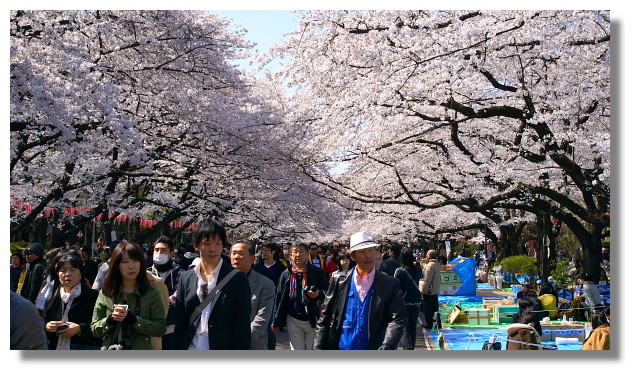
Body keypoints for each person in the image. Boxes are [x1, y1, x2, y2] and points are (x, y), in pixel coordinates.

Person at [314, 231, 406, 350]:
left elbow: (398, 319)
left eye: (371, 250)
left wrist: (388, 345)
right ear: (353, 256)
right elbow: (325, 317)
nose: (368, 255)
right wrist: (317, 348)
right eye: (362, 252)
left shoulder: (390, 283)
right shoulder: (339, 280)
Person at [174, 219, 251, 350]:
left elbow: (242, 326)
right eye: (207, 243)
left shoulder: (237, 278)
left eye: (218, 244)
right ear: (196, 245)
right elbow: (181, 322)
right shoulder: (186, 278)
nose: (213, 249)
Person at [91, 242, 166, 350]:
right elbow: (95, 330)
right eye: (125, 262)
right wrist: (110, 320)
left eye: (135, 261)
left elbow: (160, 328)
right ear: (117, 265)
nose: (131, 266)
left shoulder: (151, 292)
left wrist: (135, 321)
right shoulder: (107, 292)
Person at [272, 243, 329, 350]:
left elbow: (328, 292)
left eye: (301, 251)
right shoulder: (286, 273)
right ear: (290, 255)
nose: (298, 254)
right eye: (295, 252)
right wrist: (276, 319)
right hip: (293, 318)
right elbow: (279, 297)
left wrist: (318, 294)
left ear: (307, 253)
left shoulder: (316, 272)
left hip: (313, 319)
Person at [43, 253, 101, 350]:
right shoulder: (52, 297)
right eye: (63, 270)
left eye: (73, 270)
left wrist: (80, 329)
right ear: (58, 274)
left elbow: (99, 325)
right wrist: (47, 326)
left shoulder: (92, 296)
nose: (68, 274)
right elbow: (44, 319)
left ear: (80, 274)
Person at [230, 240, 276, 350]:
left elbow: (262, 318)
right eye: (233, 253)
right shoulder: (220, 281)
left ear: (252, 258)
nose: (236, 257)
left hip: (252, 344)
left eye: (241, 253)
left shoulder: (265, 284)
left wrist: (243, 341)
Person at [148, 235, 183, 350]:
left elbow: (179, 295)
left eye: (163, 250)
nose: (159, 253)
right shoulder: (146, 273)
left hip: (171, 327)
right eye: (156, 250)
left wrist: (160, 302)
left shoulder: (181, 273)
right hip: (149, 326)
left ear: (172, 254)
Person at [393, 248, 423, 350]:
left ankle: (407, 348)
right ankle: (412, 347)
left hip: (404, 301)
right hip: (416, 301)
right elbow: (421, 276)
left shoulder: (399, 271)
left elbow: (396, 286)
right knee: (413, 326)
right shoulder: (417, 269)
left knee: (405, 327)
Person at [419, 249, 441, 329]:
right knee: (435, 308)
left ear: (429, 256)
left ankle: (429, 324)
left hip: (429, 290)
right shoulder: (437, 264)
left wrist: (423, 290)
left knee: (427, 308)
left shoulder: (430, 266)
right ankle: (438, 323)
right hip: (435, 289)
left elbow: (427, 279)